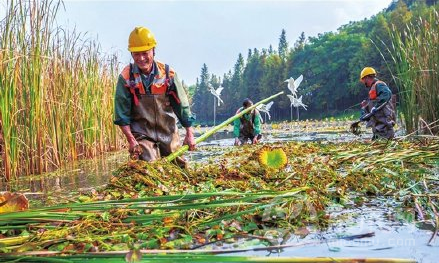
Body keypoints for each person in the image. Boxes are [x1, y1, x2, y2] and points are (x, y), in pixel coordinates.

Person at [113, 26, 196, 165]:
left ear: (153, 50)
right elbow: (121, 115)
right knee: (150, 168)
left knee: (180, 167)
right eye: (136, 54)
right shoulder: (126, 77)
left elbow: (182, 106)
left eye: (145, 53)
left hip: (168, 133)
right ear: (132, 54)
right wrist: (131, 140)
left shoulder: (168, 74)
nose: (141, 58)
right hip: (142, 136)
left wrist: (190, 133)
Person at [359, 67, 396, 140]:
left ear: (366, 77)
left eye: (363, 80)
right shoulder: (373, 88)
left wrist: (376, 107)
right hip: (378, 129)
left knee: (383, 144)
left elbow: (387, 94)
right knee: (376, 143)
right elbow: (372, 109)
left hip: (385, 128)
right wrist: (364, 110)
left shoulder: (379, 85)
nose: (363, 82)